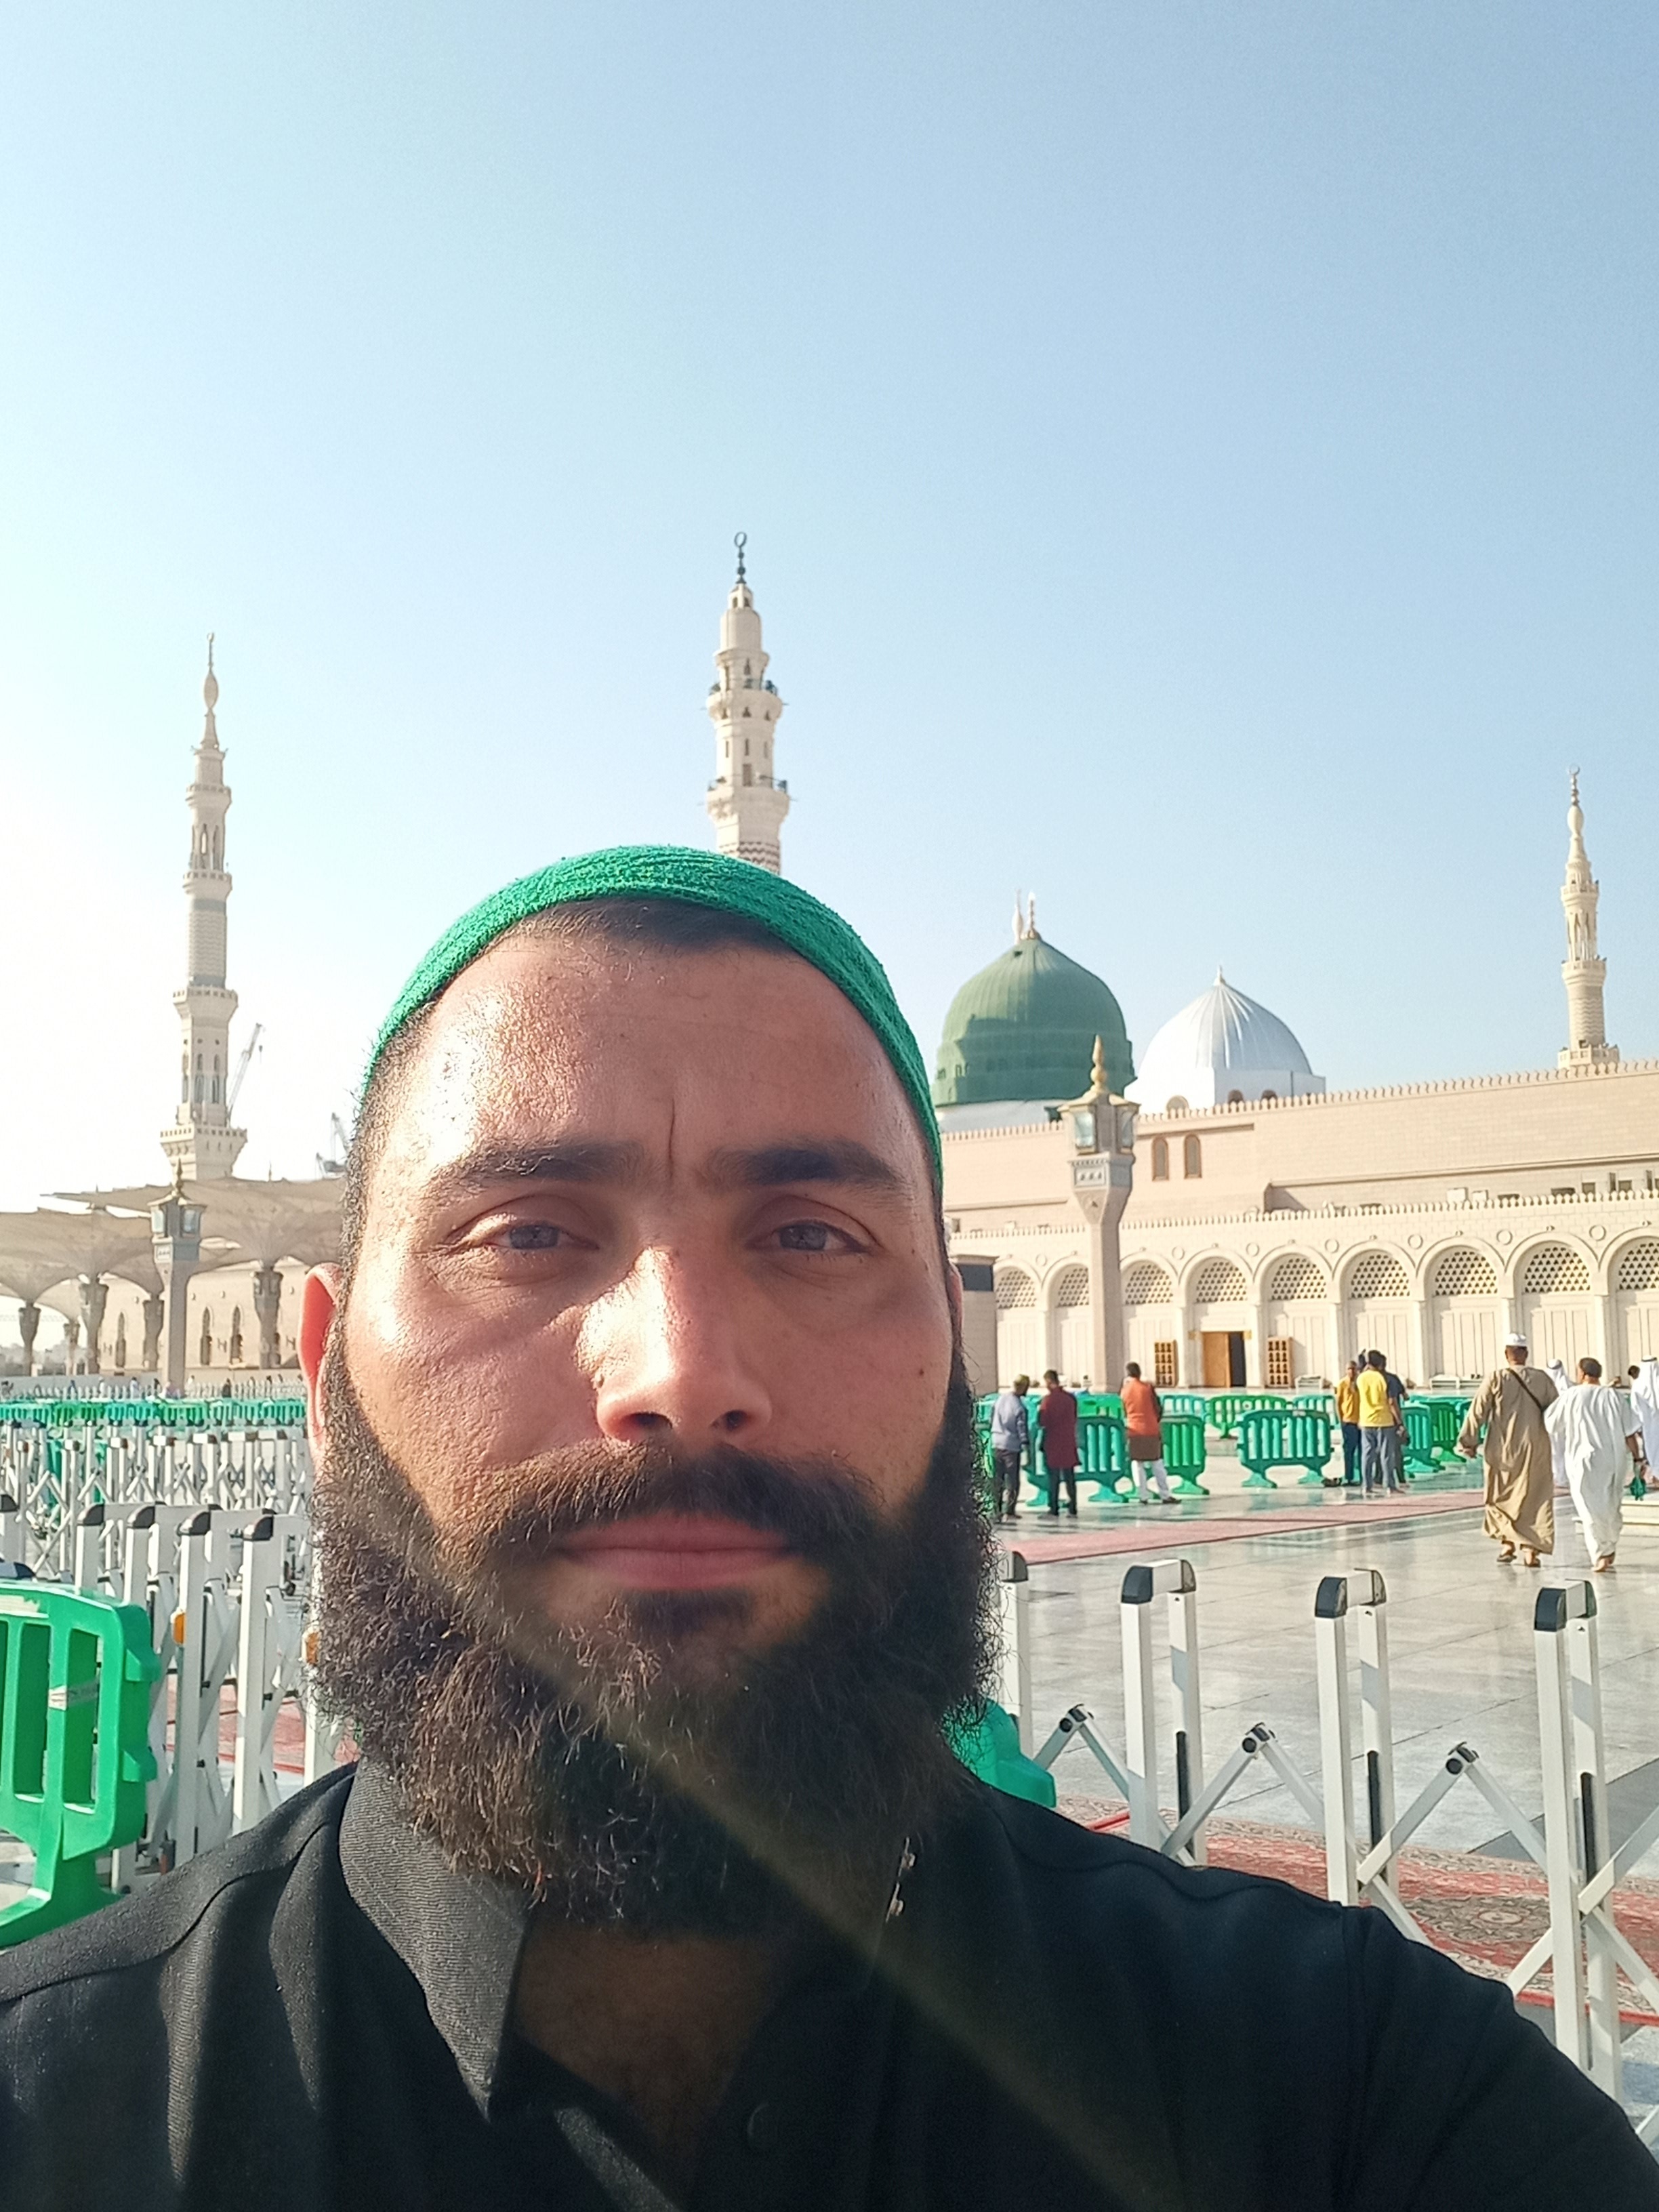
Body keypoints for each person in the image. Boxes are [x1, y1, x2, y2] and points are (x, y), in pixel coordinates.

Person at [1, 846, 1652, 2212]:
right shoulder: (61, 2114)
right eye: (525, 1233)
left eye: (808, 1234)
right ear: (321, 1371)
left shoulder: (1350, 2102)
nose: (677, 1372)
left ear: (956, 1348)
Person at [1459, 1335, 1558, 1568]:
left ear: (1506, 1354)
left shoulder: (1496, 1378)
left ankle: (1507, 1544)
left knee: (1500, 1495)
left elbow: (1477, 1411)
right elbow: (1557, 1412)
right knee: (1535, 1496)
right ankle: (1531, 1549)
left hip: (1502, 1448)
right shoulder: (1542, 1379)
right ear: (1526, 1353)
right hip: (1535, 1447)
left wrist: (1468, 1441)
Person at [1545, 1357, 1644, 1572]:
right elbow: (1629, 1432)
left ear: (1581, 1373)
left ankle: (1602, 1553)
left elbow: (1551, 1424)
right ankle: (1607, 1548)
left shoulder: (1571, 1396)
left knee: (1588, 1508)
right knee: (1611, 1505)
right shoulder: (1614, 1396)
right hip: (1613, 1460)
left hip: (1583, 1461)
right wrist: (1638, 1459)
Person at [1120, 1362, 1172, 1504]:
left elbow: (1124, 1410)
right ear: (1139, 1372)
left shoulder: (1125, 1390)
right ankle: (1165, 1494)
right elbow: (1158, 1408)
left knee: (1137, 1463)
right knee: (1157, 1463)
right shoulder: (1147, 1388)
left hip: (1134, 1430)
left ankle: (1143, 1496)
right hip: (1151, 1429)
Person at [1355, 1350, 1401, 1498]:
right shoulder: (1384, 1378)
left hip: (1366, 1420)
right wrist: (1399, 1422)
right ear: (1381, 1364)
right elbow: (1392, 1402)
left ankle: (1366, 1486)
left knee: (1367, 1454)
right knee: (1386, 1455)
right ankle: (1390, 1485)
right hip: (1384, 1420)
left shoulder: (1361, 1378)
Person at [1037, 1370, 1080, 1518]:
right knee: (1069, 1477)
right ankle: (1073, 1507)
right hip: (1068, 1441)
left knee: (1053, 1477)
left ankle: (1053, 1508)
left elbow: (1043, 1421)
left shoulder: (1048, 1401)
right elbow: (1075, 1417)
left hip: (1053, 1442)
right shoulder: (1071, 1399)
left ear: (1049, 1382)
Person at [990, 1374, 1031, 1522]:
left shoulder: (1000, 1399)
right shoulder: (1019, 1406)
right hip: (1011, 1446)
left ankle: (996, 1510)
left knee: (998, 1479)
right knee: (1012, 1481)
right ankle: (1010, 1510)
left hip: (996, 1443)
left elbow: (991, 1418)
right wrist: (1026, 1444)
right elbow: (1021, 1428)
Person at [1330, 1359, 1361, 1488]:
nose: (1352, 1372)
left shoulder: (1361, 1383)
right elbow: (1338, 1403)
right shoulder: (1342, 1384)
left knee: (1363, 1450)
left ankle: (1363, 1476)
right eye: (1349, 1369)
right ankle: (1349, 1477)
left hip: (1361, 1421)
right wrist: (1341, 1419)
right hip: (1348, 1421)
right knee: (1349, 1450)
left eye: (1354, 1369)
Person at [1631, 1357, 1659, 1481]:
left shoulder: (1638, 1385)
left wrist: (1637, 1428)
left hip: (1648, 1427)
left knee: (1653, 1451)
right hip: (1649, 1426)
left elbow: (1635, 1408)